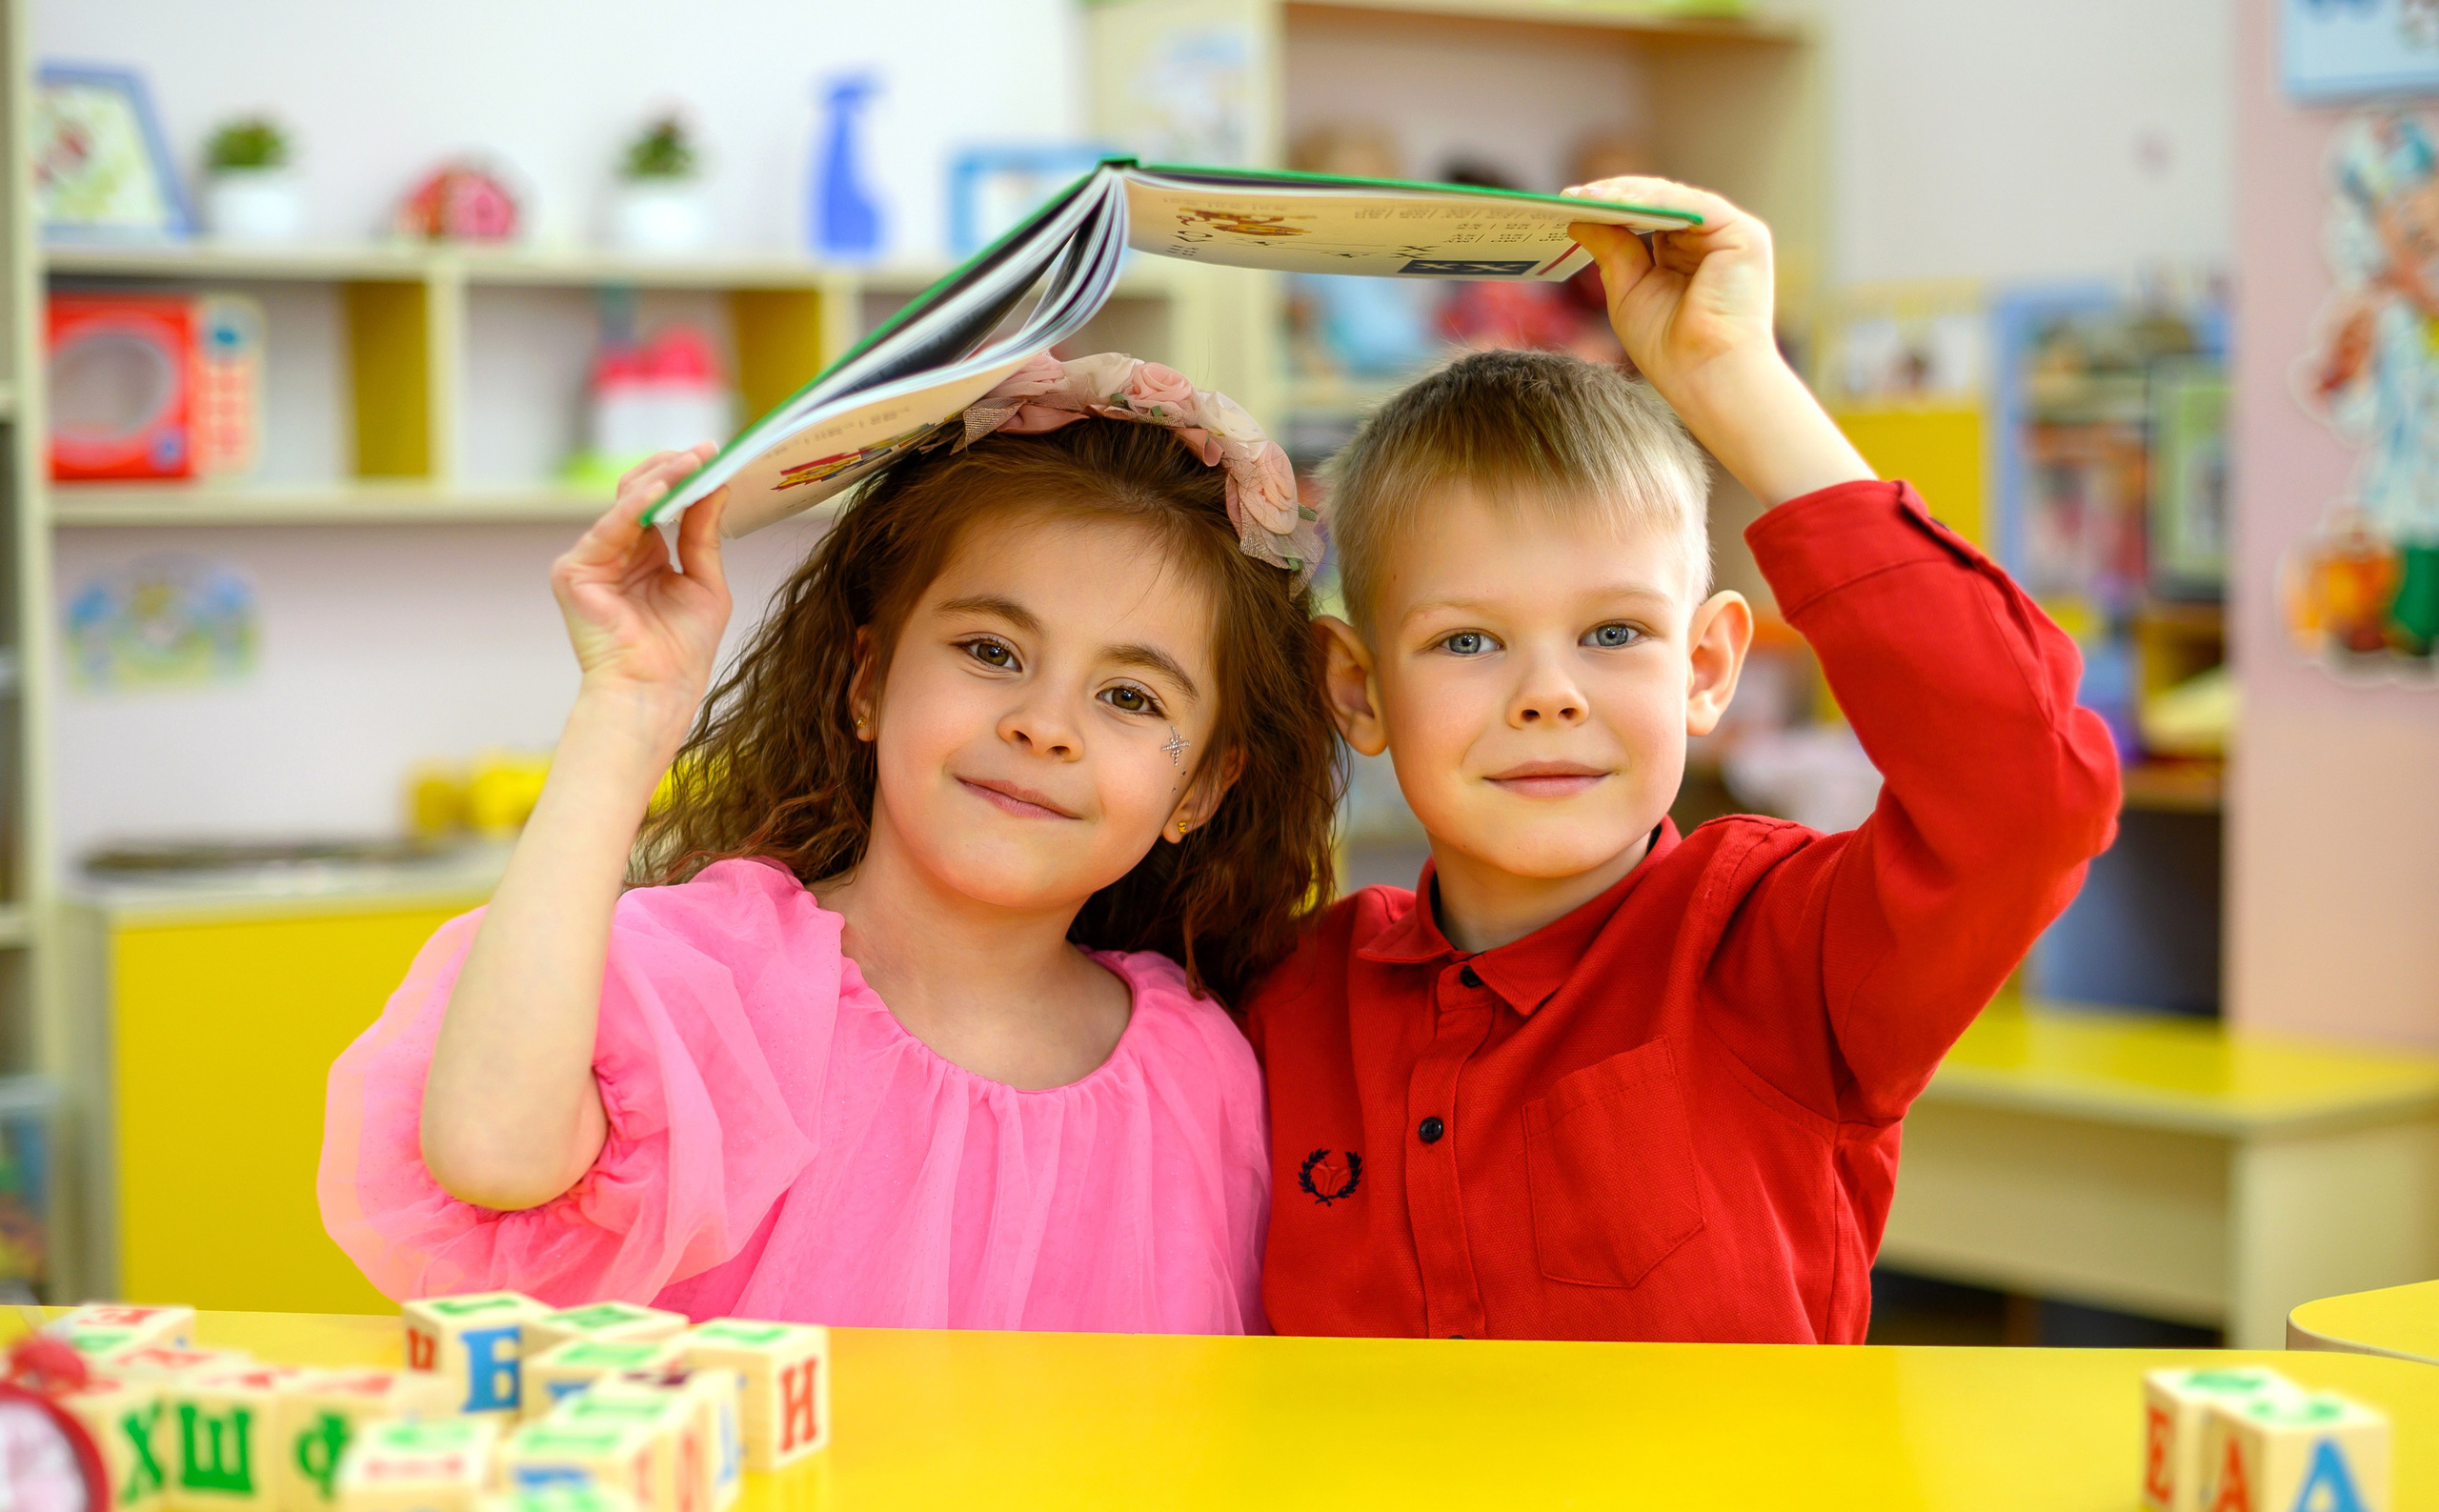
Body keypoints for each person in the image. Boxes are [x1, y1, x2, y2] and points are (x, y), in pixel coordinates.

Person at [1251, 178, 2122, 1341]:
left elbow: (2029, 793)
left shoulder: (1777, 951)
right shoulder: (1283, 996)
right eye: (1467, 639)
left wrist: (1734, 378)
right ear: (1357, 688)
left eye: (1613, 633)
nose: (1549, 695)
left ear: (1706, 665)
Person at [319, 354, 1338, 1334]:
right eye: (991, 650)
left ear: (1198, 784)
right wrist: (627, 708)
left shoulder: (1199, 1067)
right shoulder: (716, 980)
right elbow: (494, 1150)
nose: (1045, 722)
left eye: (1129, 695)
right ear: (867, 683)